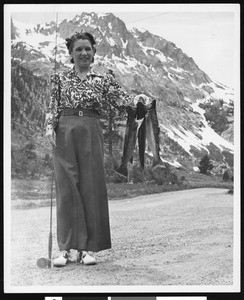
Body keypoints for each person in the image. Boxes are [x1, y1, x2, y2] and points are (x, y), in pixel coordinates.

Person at [45, 31, 145, 267]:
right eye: (78, 49)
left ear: (94, 52)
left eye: (88, 49)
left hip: (91, 129)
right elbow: (52, 106)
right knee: (67, 187)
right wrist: (50, 127)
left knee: (91, 185)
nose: (84, 53)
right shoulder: (59, 79)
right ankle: (66, 250)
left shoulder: (103, 80)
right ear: (71, 53)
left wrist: (139, 102)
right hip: (64, 130)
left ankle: (88, 249)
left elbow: (124, 103)